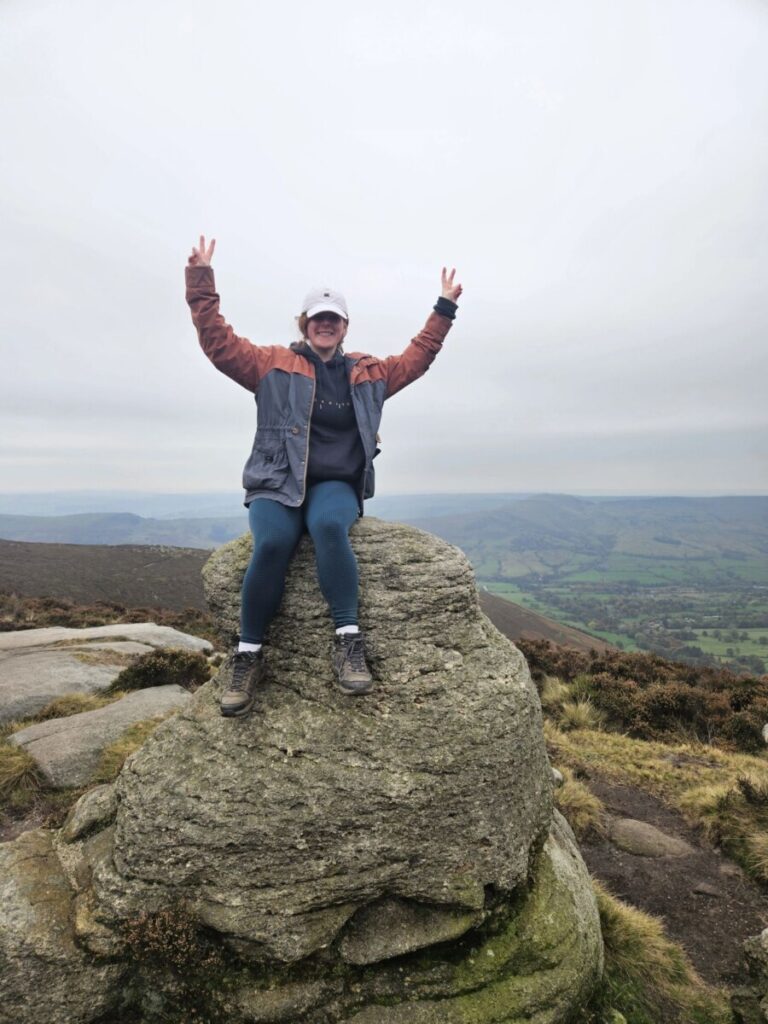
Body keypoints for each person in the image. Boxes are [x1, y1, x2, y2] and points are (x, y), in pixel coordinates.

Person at [185, 236, 462, 718]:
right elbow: (218, 344)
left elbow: (417, 358)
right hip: (276, 479)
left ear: (344, 326)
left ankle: (347, 640)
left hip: (335, 482)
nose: (326, 325)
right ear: (305, 324)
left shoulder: (368, 372)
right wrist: (201, 283)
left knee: (330, 527)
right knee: (272, 544)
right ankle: (248, 656)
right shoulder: (272, 364)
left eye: (334, 318)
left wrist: (443, 309)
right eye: (318, 318)